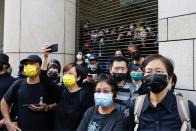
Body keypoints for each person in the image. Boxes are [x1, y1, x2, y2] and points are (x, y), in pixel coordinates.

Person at [126, 54, 196, 130]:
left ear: (169, 78)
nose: (153, 75)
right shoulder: (135, 106)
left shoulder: (186, 107)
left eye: (159, 71)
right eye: (148, 72)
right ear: (144, 77)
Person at [39, 44, 94, 130]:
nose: (66, 76)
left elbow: (89, 119)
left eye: (70, 74)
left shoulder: (85, 95)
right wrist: (45, 57)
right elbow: (43, 78)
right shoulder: (61, 91)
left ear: (78, 77)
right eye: (65, 73)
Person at [1, 55, 54, 131]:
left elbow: (59, 104)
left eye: (32, 64)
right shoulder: (18, 84)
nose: (28, 66)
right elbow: (4, 102)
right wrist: (8, 122)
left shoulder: (48, 85)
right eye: (26, 64)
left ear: (40, 66)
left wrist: (47, 107)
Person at [0, 53, 16, 129]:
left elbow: (15, 104)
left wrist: (5, 120)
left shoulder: (14, 82)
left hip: (4, 124)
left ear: (5, 65)